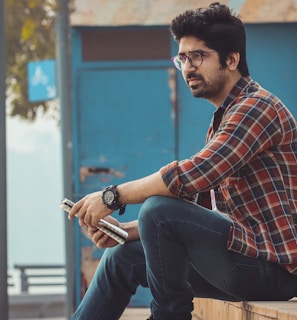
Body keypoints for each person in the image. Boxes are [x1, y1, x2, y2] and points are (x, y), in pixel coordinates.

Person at [68, 2, 297, 320]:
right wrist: (126, 230)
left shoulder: (257, 107)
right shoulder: (224, 116)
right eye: (183, 58)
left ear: (231, 59)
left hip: (274, 269)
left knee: (158, 209)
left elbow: (193, 176)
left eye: (198, 56)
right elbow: (199, 209)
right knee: (122, 255)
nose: (188, 67)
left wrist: (112, 196)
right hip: (243, 261)